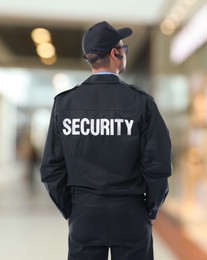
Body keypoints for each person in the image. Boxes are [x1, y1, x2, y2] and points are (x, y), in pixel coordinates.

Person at [40, 21, 172, 260]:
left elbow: (51, 168)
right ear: (115, 53)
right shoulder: (141, 103)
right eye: (124, 48)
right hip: (131, 212)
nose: (124, 52)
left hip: (84, 212)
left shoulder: (65, 104)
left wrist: (70, 210)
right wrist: (151, 209)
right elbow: (158, 165)